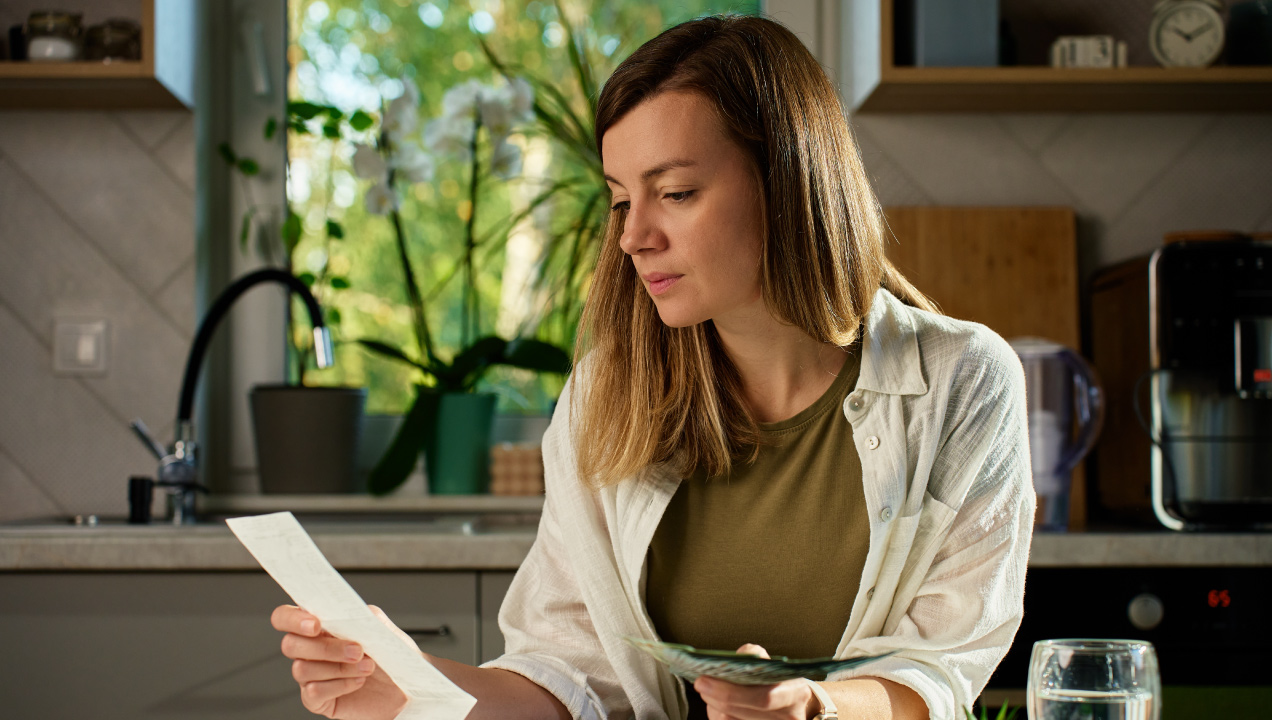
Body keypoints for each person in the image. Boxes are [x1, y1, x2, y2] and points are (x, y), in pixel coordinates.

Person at [271, 14, 1034, 720]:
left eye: (675, 192)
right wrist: (408, 685)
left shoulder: (961, 380)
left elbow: (941, 670)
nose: (634, 235)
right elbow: (566, 679)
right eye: (618, 201)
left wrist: (816, 708)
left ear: (789, 183)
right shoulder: (607, 394)